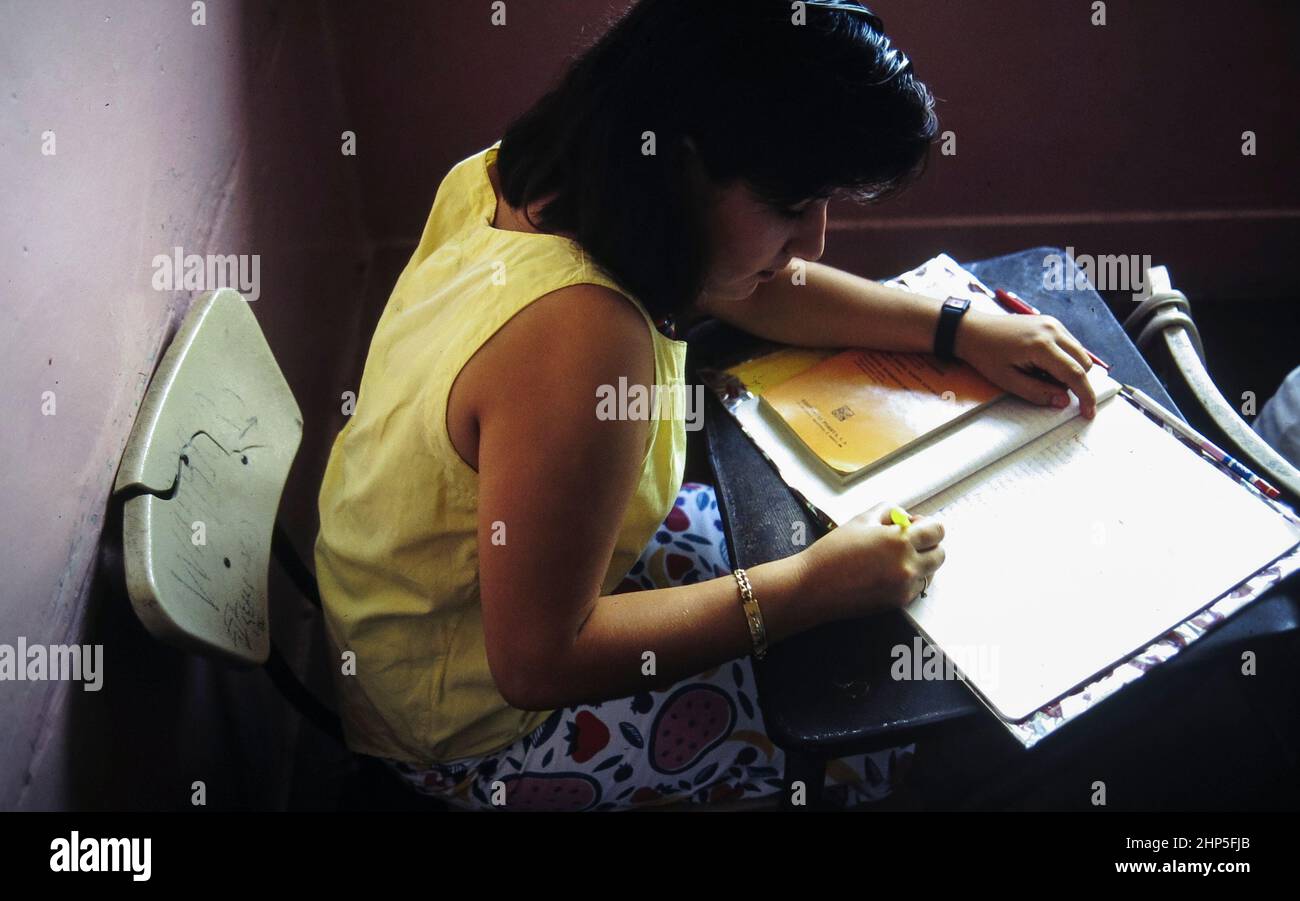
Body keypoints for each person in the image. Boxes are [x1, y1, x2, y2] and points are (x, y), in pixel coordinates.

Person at [314, 0, 1100, 810]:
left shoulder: (529, 174)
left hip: (410, 607)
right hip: (471, 728)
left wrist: (952, 328)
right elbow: (539, 661)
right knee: (864, 722)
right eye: (793, 206)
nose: (817, 240)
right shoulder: (584, 339)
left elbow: (760, 292)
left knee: (802, 538)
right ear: (686, 164)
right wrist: (802, 590)